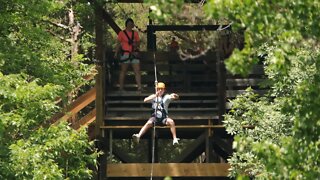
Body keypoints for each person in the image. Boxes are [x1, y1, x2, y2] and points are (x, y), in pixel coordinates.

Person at [114, 18, 142, 92]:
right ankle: (121, 88)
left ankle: (139, 88)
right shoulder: (121, 33)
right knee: (123, 71)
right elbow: (118, 44)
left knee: (137, 71)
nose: (130, 25)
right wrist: (116, 53)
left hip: (134, 53)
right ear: (126, 25)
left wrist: (135, 44)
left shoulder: (135, 33)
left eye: (131, 24)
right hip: (125, 54)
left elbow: (139, 43)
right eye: (129, 24)